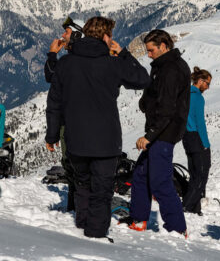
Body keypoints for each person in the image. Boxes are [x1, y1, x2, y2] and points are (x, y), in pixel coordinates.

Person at [45, 16, 150, 238]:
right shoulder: (113, 64)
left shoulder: (65, 64)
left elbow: (54, 103)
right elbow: (142, 79)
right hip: (106, 141)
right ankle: (95, 235)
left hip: (76, 139)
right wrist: (123, 53)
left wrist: (52, 135)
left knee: (83, 185)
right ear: (105, 36)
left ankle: (82, 227)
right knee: (101, 192)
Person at [129, 30, 190, 235]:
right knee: (140, 175)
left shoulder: (171, 70)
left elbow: (167, 109)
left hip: (163, 134)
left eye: (152, 50)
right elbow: (158, 98)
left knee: (160, 181)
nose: (149, 54)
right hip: (161, 132)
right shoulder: (164, 66)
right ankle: (138, 219)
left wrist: (149, 136)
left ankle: (177, 228)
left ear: (163, 46)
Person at [44, 26, 76, 211]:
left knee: (72, 165)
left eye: (67, 32)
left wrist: (51, 55)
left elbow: (51, 77)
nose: (63, 35)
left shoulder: (68, 63)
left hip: (69, 124)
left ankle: (76, 207)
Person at [182, 67, 212, 215]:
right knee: (202, 174)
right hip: (196, 138)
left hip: (186, 137)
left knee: (194, 172)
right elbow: (200, 122)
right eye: (207, 84)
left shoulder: (184, 94)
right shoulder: (197, 97)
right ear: (200, 81)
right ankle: (187, 206)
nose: (207, 87)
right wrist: (206, 145)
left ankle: (195, 207)